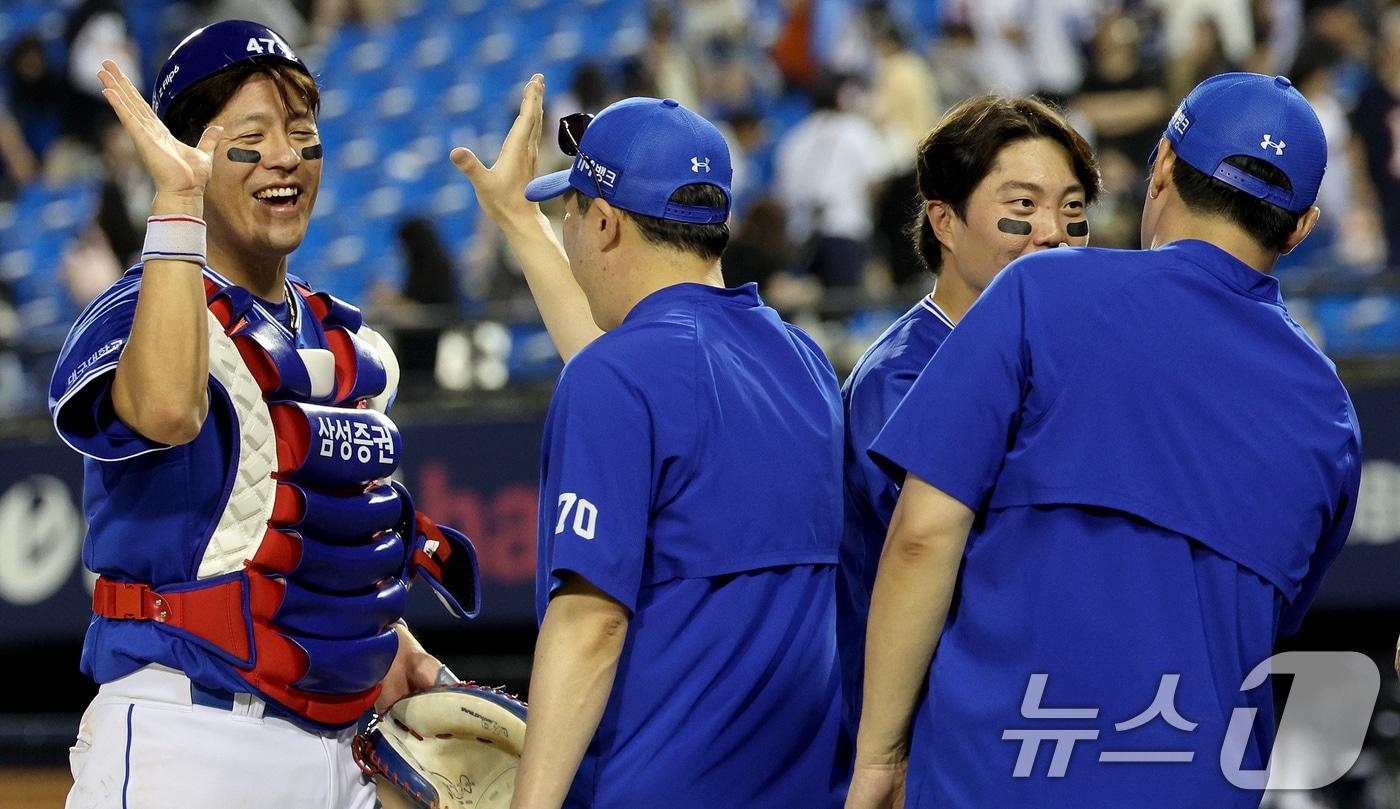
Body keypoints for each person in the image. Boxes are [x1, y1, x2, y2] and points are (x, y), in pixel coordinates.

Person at [847, 72, 1361, 809]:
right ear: (1303, 225)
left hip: (995, 776)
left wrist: (880, 753)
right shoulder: (1332, 417)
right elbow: (1262, 617)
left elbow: (923, 535)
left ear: (1161, 169)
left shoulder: (1040, 291)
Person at [50, 21, 478, 809]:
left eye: (301, 132)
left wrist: (392, 645)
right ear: (185, 152)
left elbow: (328, 533)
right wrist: (175, 201)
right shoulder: (136, 311)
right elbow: (169, 409)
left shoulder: (342, 341)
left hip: (344, 752)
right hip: (189, 741)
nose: (284, 155)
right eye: (252, 135)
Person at [452, 84, 844, 808]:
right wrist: (517, 217)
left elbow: (591, 622)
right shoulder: (805, 363)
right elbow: (638, 373)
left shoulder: (618, 378)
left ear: (602, 223)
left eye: (569, 213)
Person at [837, 94, 1099, 780]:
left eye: (1073, 210)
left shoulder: (1067, 363)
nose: (1053, 232)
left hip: (1037, 734)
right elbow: (951, 565)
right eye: (1025, 203)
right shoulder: (902, 377)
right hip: (932, 750)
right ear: (944, 221)